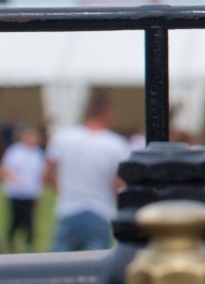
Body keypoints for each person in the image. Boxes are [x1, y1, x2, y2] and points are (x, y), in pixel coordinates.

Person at [45, 94, 129, 252]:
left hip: (69, 208)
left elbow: (47, 175)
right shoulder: (115, 144)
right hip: (100, 210)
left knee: (58, 268)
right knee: (94, 269)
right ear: (107, 113)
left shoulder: (64, 137)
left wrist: (66, 189)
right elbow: (118, 185)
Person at [2, 127, 47, 252]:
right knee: (16, 219)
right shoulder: (15, 151)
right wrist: (13, 179)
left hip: (31, 192)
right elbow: (5, 169)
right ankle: (10, 241)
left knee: (29, 220)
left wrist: (39, 193)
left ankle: (29, 244)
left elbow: (40, 174)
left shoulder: (38, 153)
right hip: (16, 193)